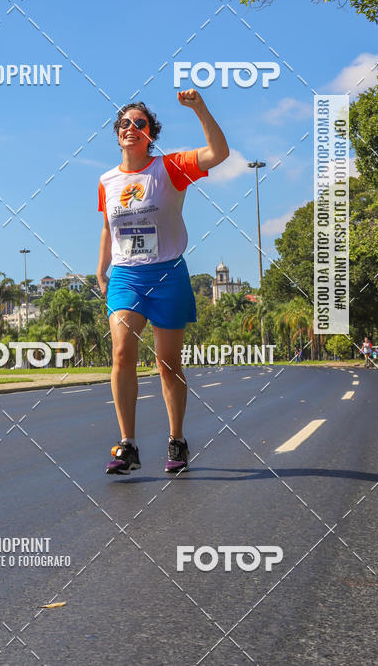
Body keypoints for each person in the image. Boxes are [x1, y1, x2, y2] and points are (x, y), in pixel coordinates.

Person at [96, 90, 229, 476]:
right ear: (117, 133)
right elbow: (108, 227)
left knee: (168, 363)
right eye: (125, 123)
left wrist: (200, 108)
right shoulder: (107, 180)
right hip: (126, 275)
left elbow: (219, 153)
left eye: (140, 123)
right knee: (122, 353)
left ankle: (177, 440)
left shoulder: (170, 167)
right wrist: (101, 270)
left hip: (168, 272)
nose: (132, 128)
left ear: (151, 134)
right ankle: (128, 445)